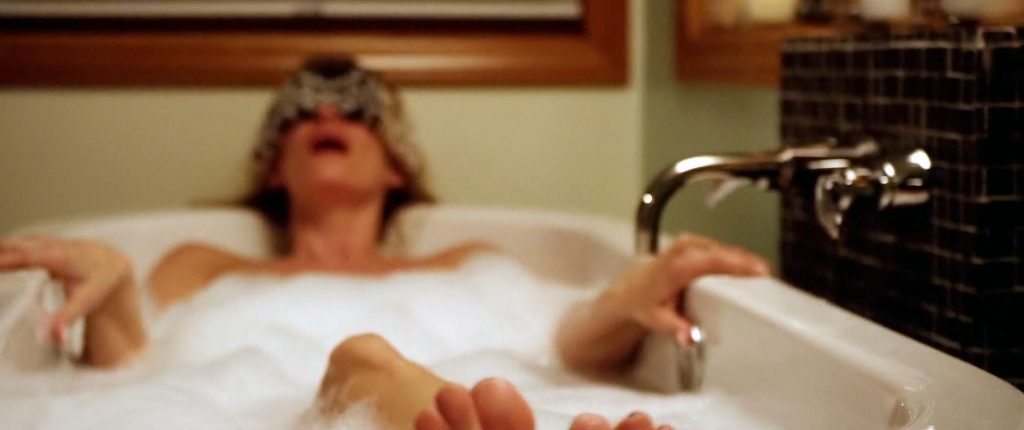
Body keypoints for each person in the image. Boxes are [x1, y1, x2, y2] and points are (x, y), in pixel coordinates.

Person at [0, 58, 769, 429]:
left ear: (396, 165)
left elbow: (568, 347)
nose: (326, 113)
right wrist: (110, 282)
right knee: (362, 362)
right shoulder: (202, 264)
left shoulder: (467, 264)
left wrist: (624, 299)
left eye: (356, 111)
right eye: (299, 113)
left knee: (368, 365)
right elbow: (129, 369)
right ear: (274, 166)